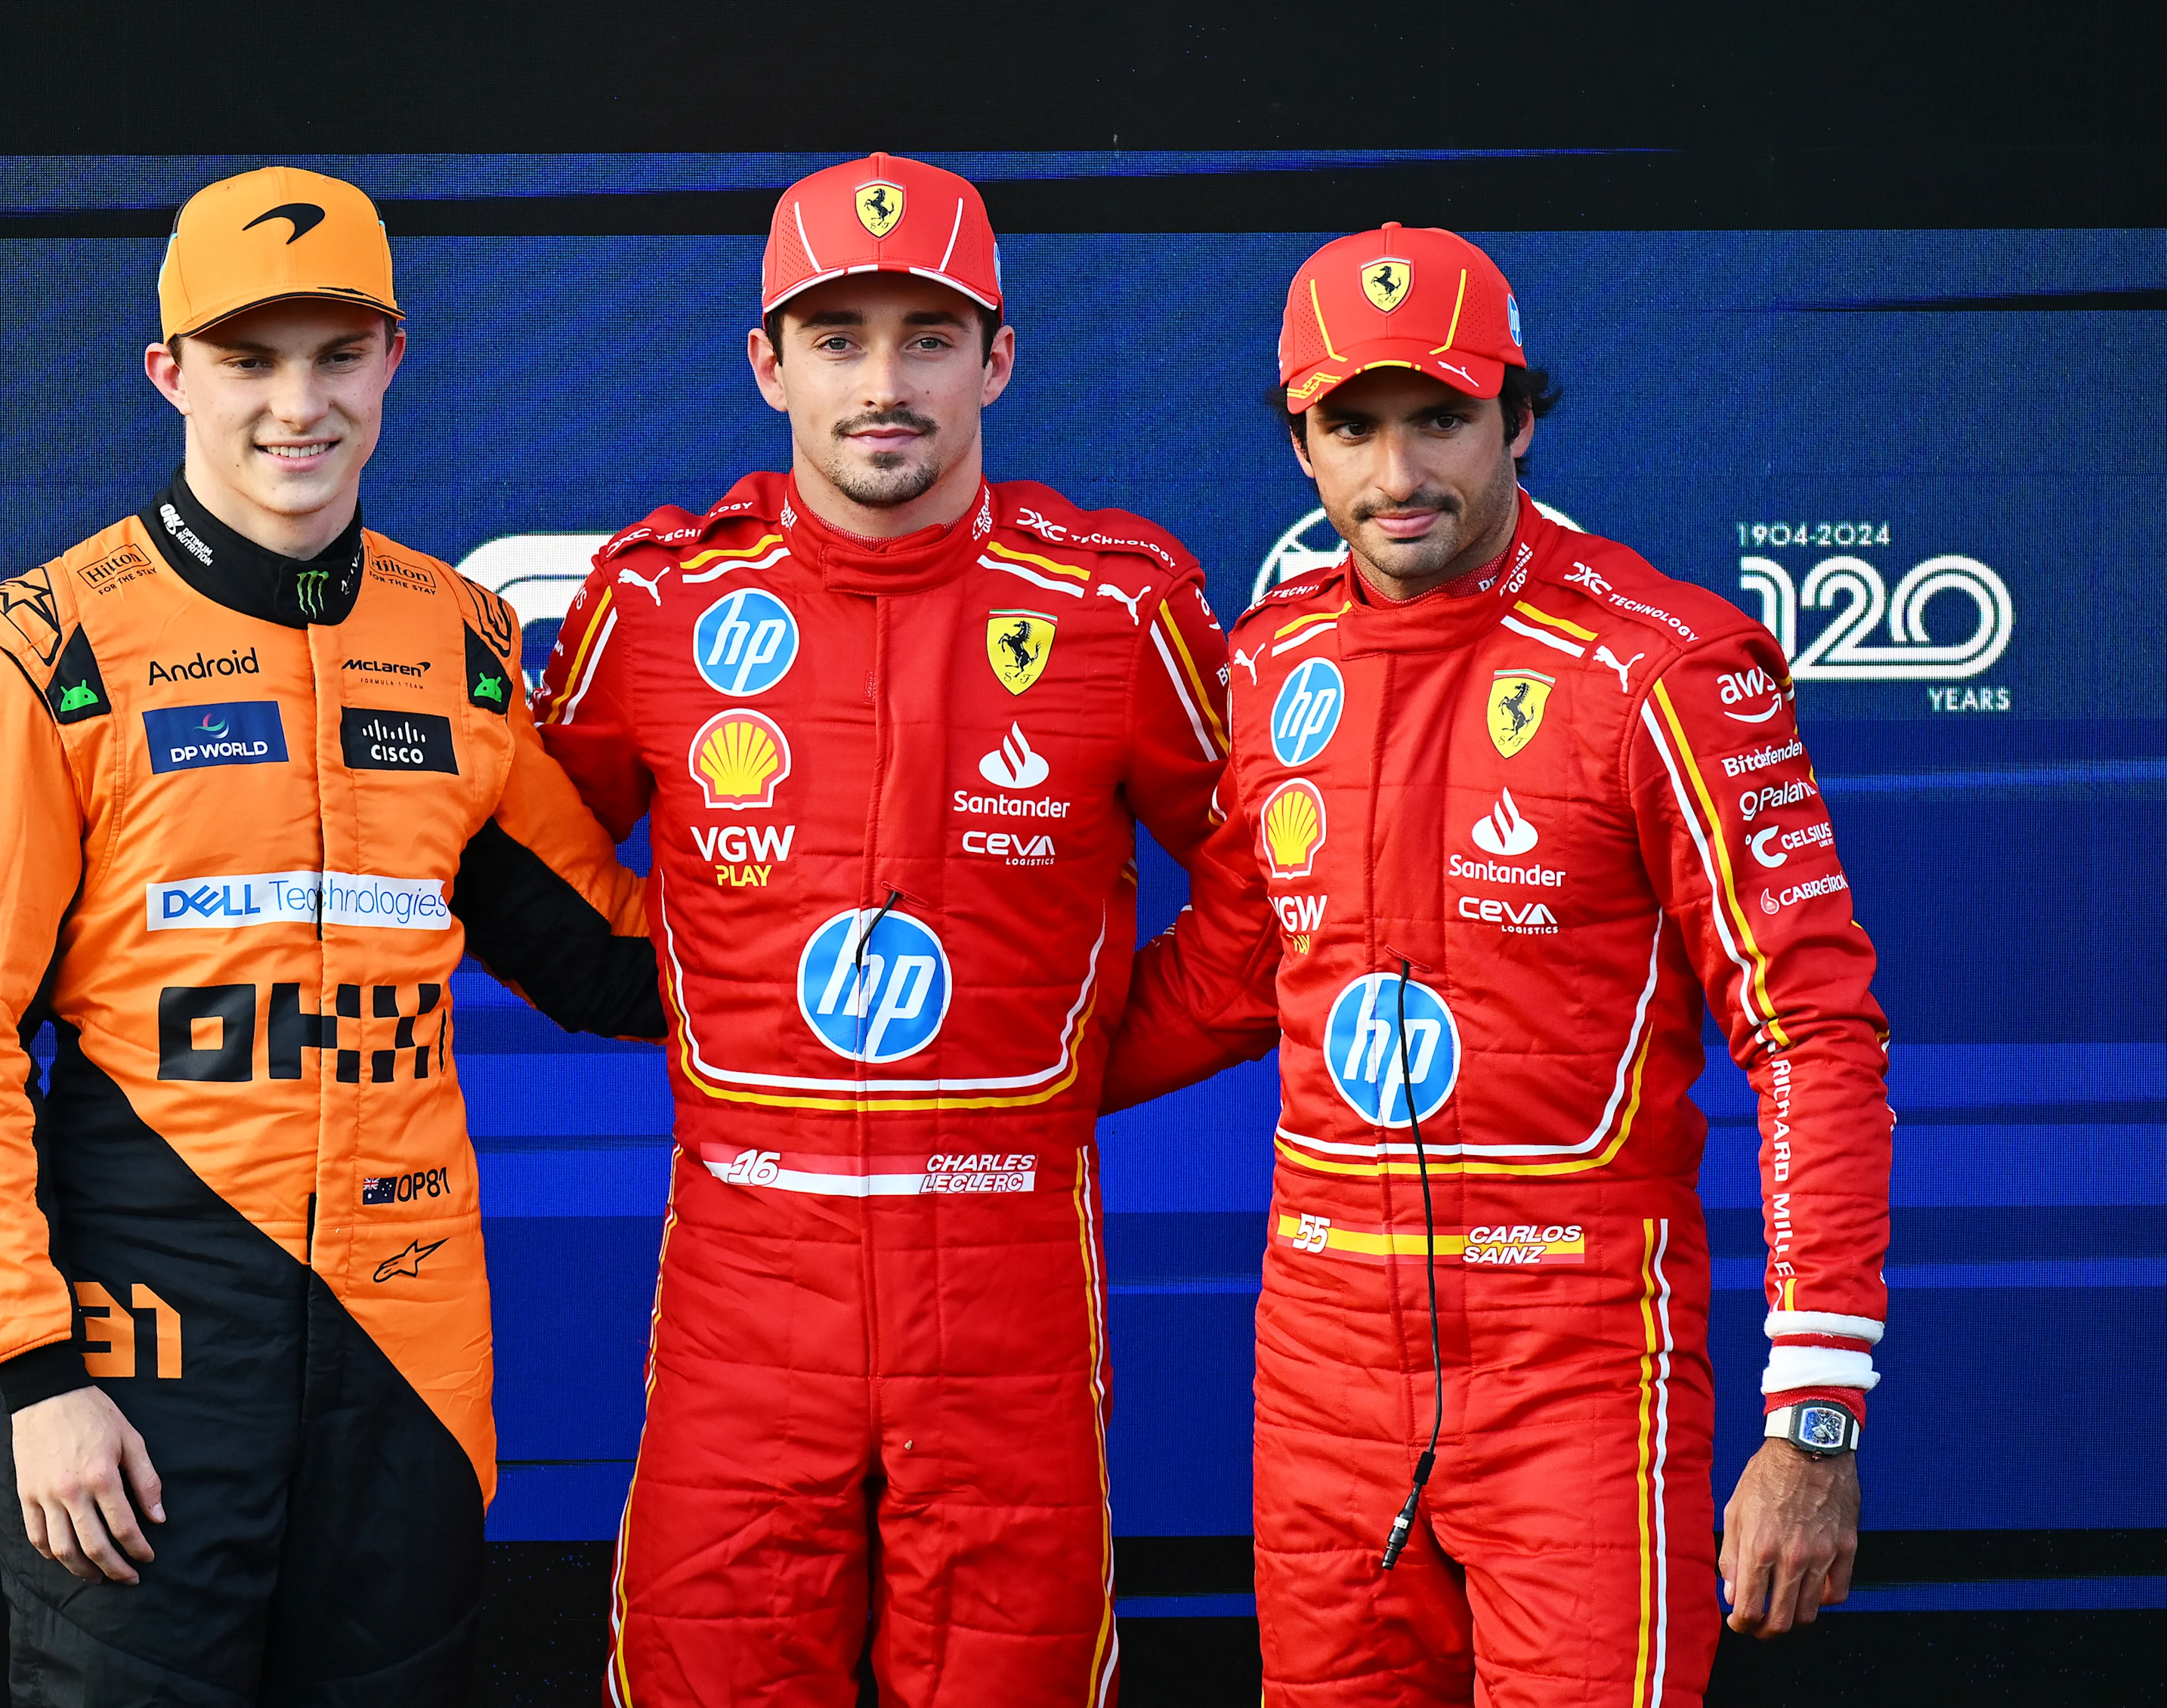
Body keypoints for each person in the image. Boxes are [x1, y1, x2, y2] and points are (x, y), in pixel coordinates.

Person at [0, 165, 660, 1706]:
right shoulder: (36, 649)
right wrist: (37, 1376)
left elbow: (617, 962)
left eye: (335, 353)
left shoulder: (460, 640)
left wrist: (865, 855)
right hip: (145, 1357)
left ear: (392, 359)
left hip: (411, 1353)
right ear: (170, 370)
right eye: (249, 359)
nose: (295, 406)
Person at [1103, 224, 1893, 1704]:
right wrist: (955, 1085)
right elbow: (1223, 976)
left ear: (1519, 418)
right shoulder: (1270, 661)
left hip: (1578, 1366)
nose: (1396, 475)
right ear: (1300, 442)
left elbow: (1814, 1039)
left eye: (1441, 419)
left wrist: (1816, 1419)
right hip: (1321, 1374)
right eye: (1352, 426)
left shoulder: (1664, 665)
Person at [532, 152, 1234, 1706]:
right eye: (838, 337)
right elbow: (526, 843)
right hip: (741, 1268)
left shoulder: (1118, 605)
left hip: (1006, 1273)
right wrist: (693, 982)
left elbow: (1271, 892)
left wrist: (1075, 1060)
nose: (884, 382)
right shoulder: (656, 599)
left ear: (997, 355)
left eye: (927, 334)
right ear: (767, 362)